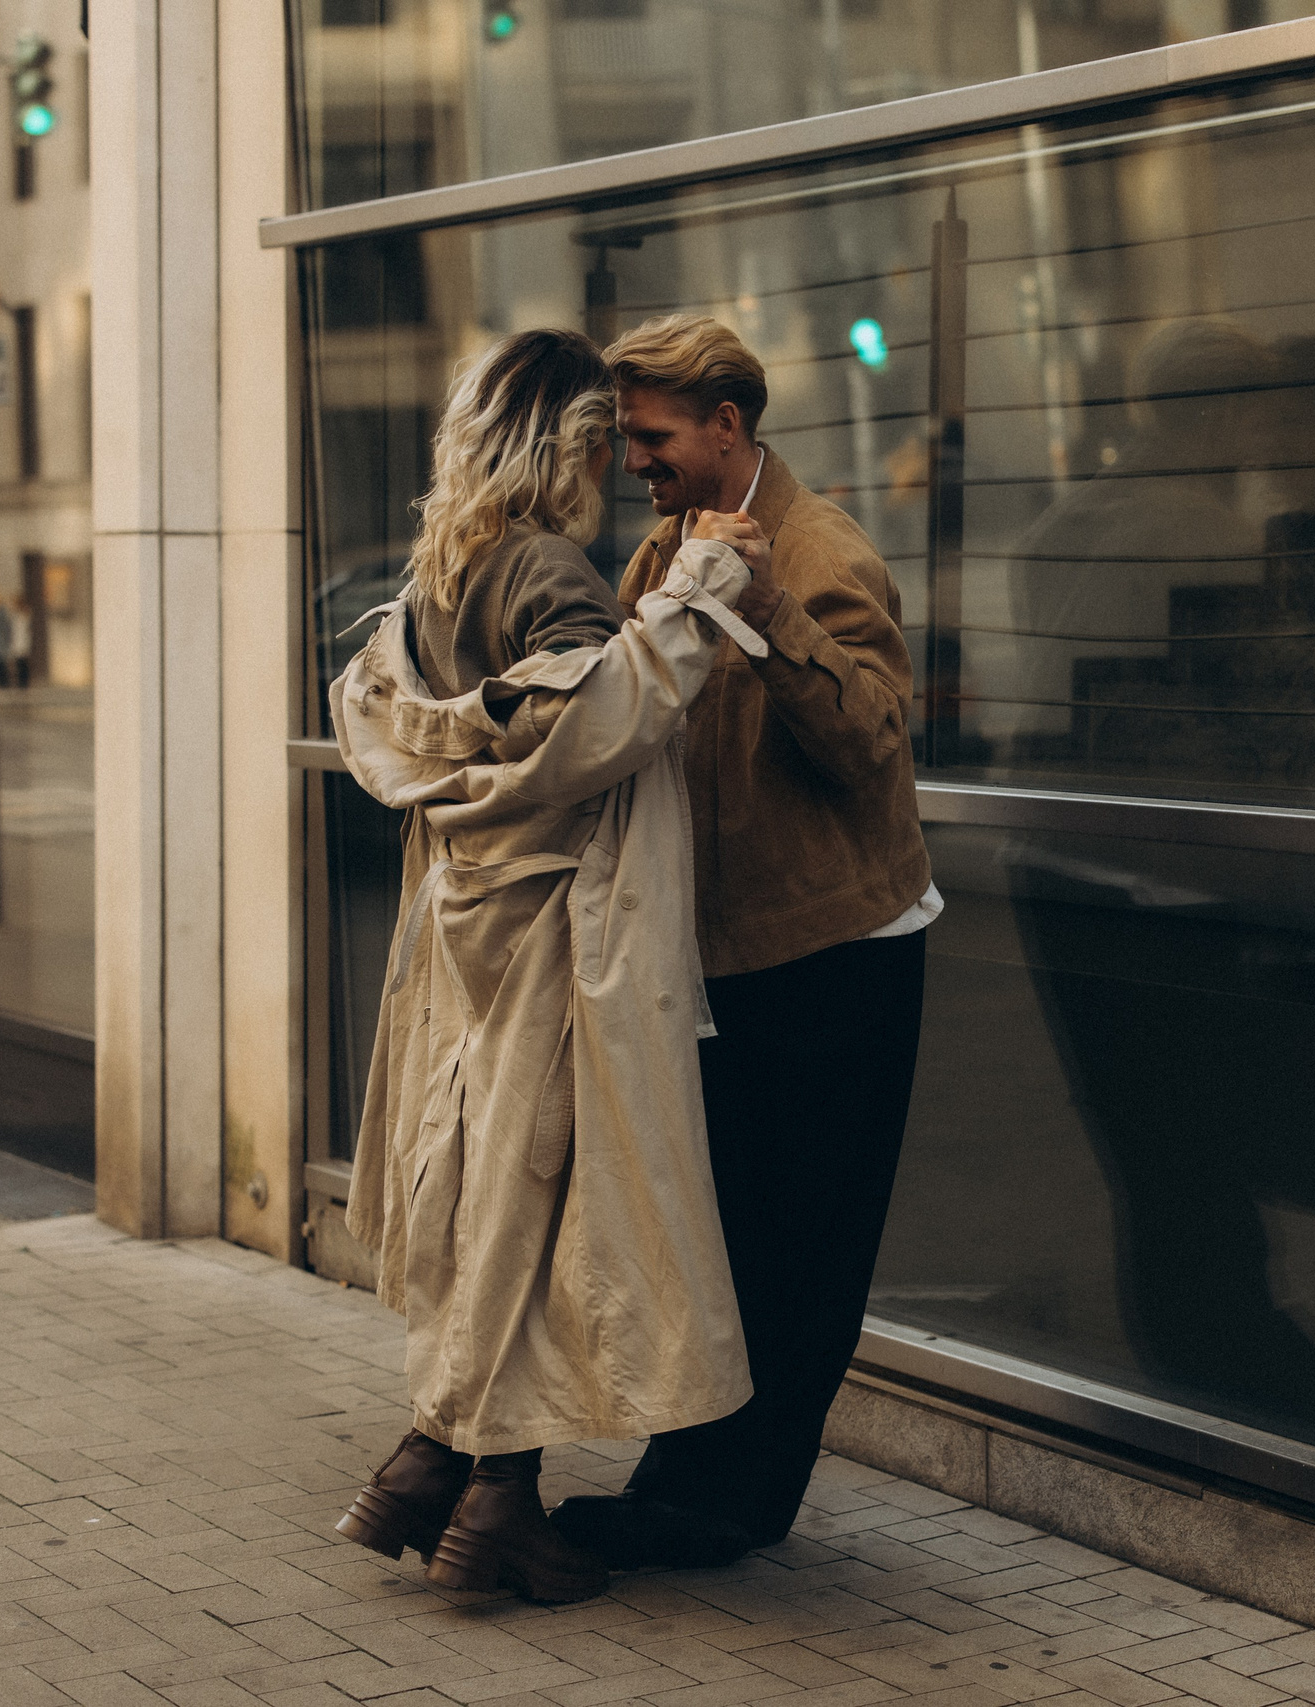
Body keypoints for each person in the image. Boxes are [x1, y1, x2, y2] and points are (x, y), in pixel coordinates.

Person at [327, 329, 778, 1603]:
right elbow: (583, 735)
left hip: (472, 921)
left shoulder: (441, 570)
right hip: (558, 931)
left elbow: (436, 738)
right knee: (539, 1210)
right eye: (610, 439)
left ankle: (435, 1465)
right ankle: (496, 1500)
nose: (623, 463)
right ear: (569, 442)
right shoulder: (544, 569)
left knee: (500, 1200)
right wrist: (694, 602)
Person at [547, 314, 937, 1568]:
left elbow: (870, 738)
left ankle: (726, 1505)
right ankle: (697, 1482)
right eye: (624, 439)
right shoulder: (663, 548)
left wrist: (761, 603)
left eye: (652, 438)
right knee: (722, 1233)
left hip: (836, 953)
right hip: (721, 955)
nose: (632, 464)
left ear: (728, 425)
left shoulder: (823, 557)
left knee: (798, 1247)